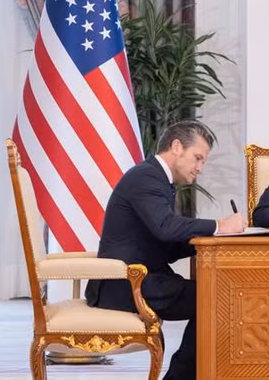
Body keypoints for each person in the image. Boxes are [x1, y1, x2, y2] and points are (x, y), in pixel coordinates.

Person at [85, 120, 245, 380]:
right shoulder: (146, 177)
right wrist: (220, 226)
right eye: (198, 158)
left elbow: (162, 243)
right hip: (127, 284)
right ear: (177, 146)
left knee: (216, 296)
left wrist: (205, 243)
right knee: (217, 300)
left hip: (141, 277)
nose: (200, 168)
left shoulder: (155, 178)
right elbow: (165, 227)